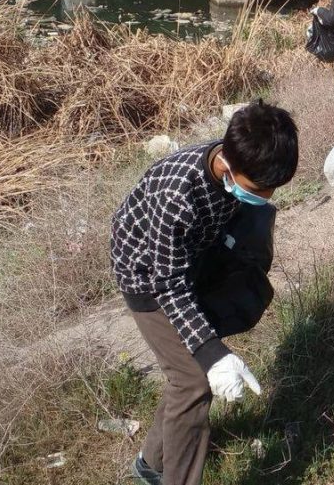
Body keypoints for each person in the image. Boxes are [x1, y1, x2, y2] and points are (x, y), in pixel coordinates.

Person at [112, 101, 299, 485]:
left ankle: (151, 462)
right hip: (147, 277)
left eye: (271, 190)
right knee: (194, 381)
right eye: (257, 189)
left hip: (194, 259)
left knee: (187, 371)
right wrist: (212, 353)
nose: (265, 197)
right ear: (228, 168)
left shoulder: (240, 154)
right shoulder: (177, 196)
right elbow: (169, 285)